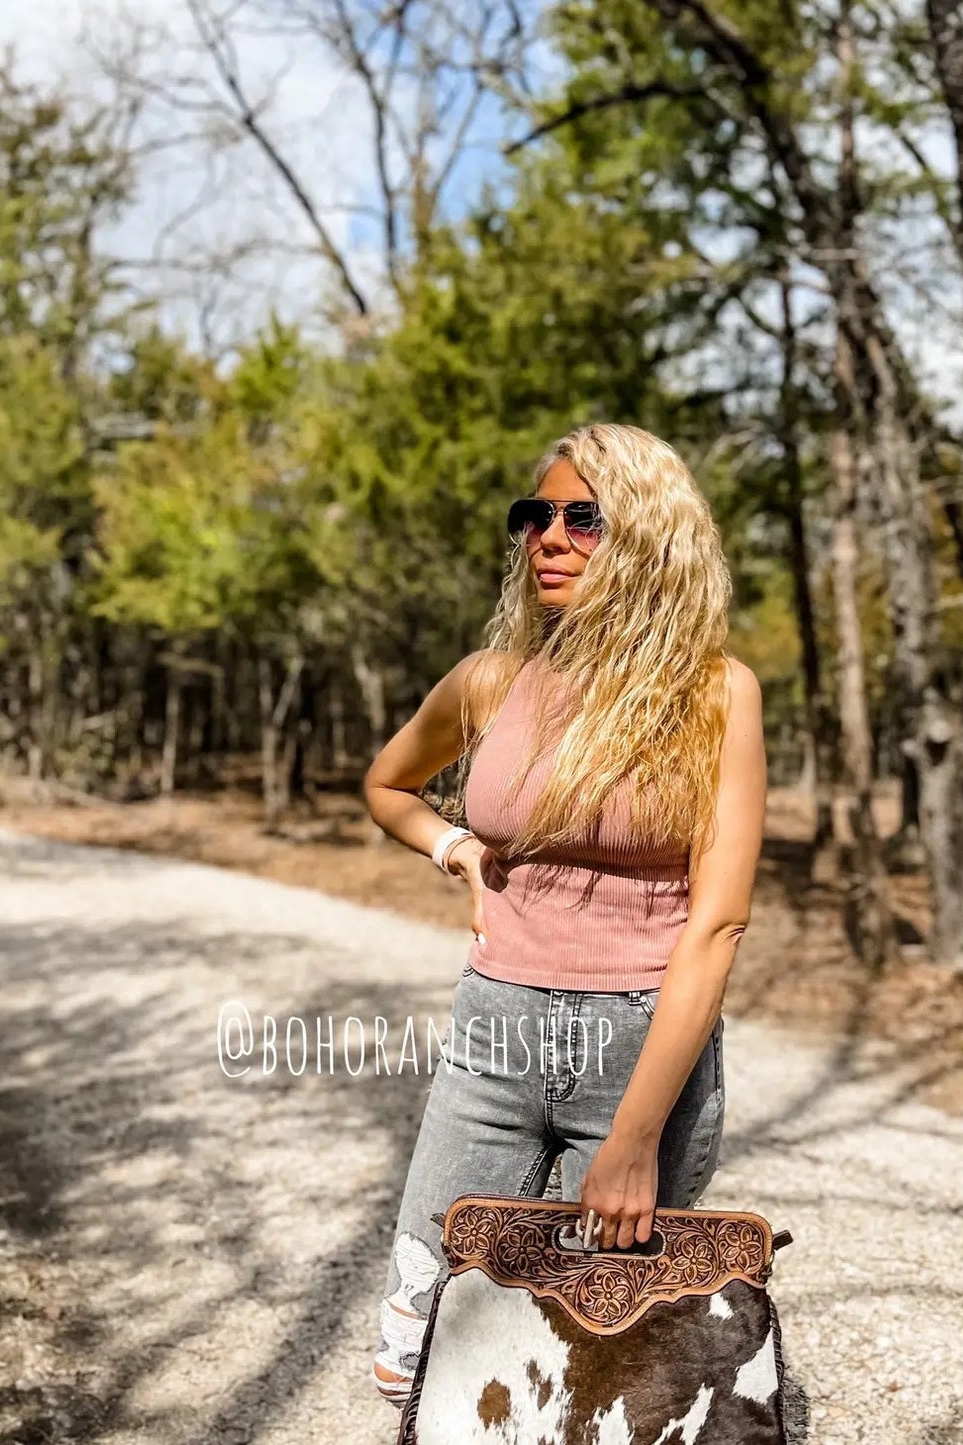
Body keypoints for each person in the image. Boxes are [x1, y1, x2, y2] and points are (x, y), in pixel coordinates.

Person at [361, 421, 767, 1410]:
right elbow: (387, 783)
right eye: (533, 515)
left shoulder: (715, 696)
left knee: (582, 1358)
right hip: (492, 1030)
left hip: (637, 1048)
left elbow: (713, 927)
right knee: (420, 1333)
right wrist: (452, 845)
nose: (547, 535)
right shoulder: (490, 681)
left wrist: (633, 1138)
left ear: (647, 538)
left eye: (581, 517)